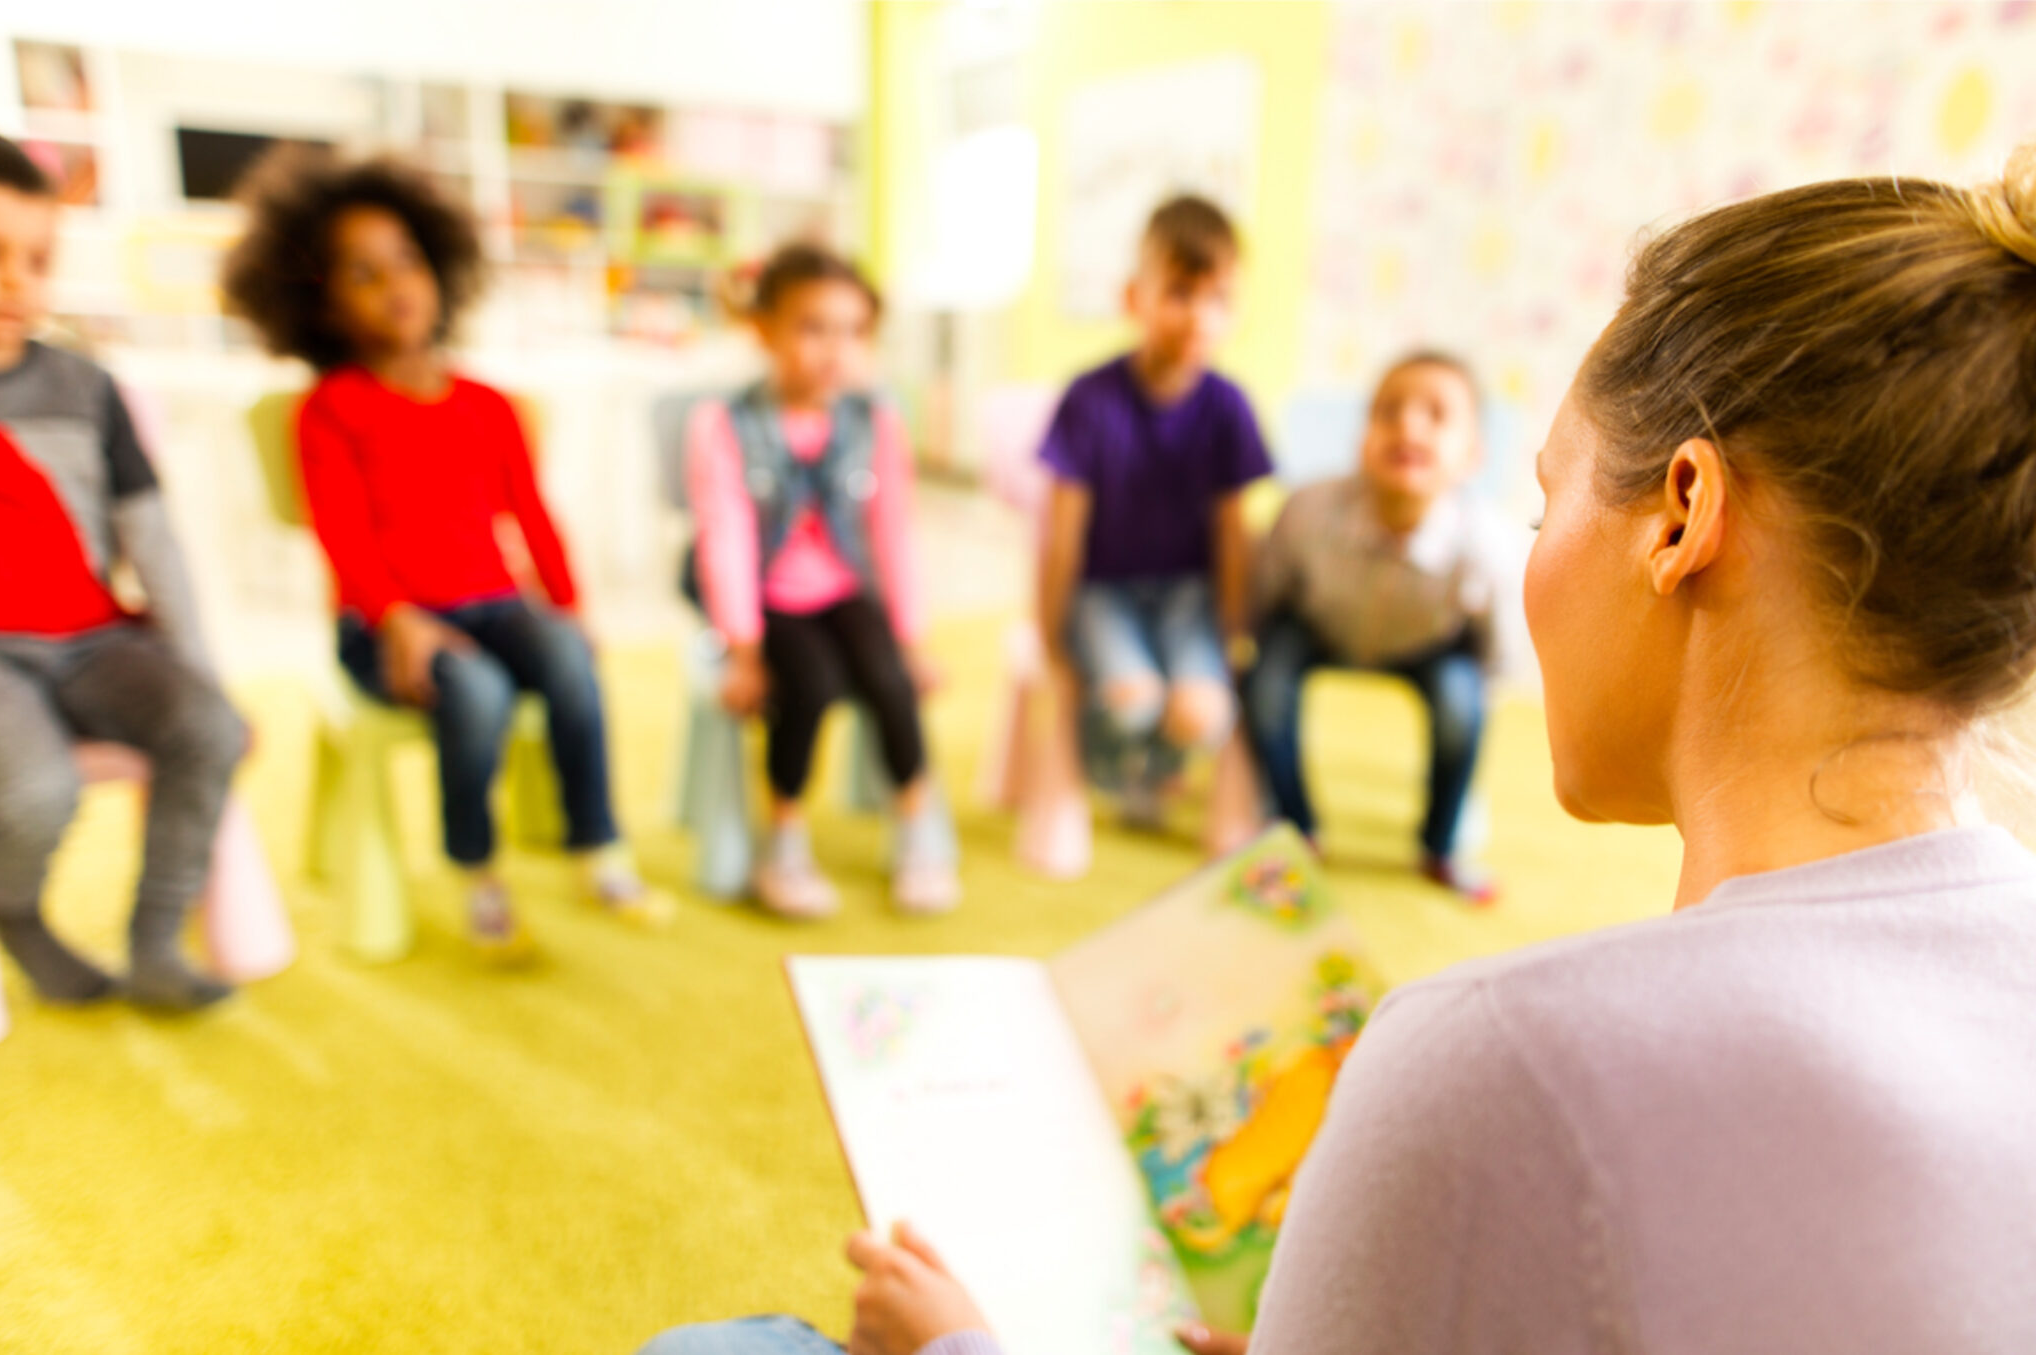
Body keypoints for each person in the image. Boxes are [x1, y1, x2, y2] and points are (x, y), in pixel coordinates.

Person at [636, 144, 2036, 1355]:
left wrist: (964, 1337)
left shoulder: (1493, 1058)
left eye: (1542, 496)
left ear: (1679, 514)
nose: (1532, 550)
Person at [221, 149, 670, 960]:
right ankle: (479, 868)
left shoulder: (487, 405)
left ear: (440, 269)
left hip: (493, 601)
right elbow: (342, 539)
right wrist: (397, 623)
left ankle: (595, 843)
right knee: (479, 691)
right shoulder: (331, 412)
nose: (396, 284)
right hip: (382, 621)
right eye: (363, 273)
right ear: (319, 304)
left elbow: (534, 517)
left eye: (408, 261)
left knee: (569, 659)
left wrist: (570, 608)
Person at [0, 131, 245, 1010]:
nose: (15, 280)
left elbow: (153, 538)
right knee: (38, 788)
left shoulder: (87, 387)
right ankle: (14, 910)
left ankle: (157, 942)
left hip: (91, 636)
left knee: (211, 728)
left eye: (36, 258)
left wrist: (202, 669)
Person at [685, 244, 956, 920]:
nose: (835, 349)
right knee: (807, 684)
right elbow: (726, 539)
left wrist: (912, 637)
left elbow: (893, 532)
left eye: (853, 331)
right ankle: (784, 836)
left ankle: (916, 825)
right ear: (764, 329)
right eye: (813, 327)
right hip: (765, 596)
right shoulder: (724, 423)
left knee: (891, 679)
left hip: (842, 585)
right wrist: (742, 650)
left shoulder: (877, 418)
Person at [1035, 195, 1273, 826]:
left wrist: (1232, 631)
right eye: (1179, 292)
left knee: (1205, 712)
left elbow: (1232, 532)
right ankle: (1114, 770)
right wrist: (1050, 632)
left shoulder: (1228, 408)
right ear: (1133, 298)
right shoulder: (1089, 399)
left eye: (1218, 298)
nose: (1198, 315)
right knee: (1131, 702)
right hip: (1102, 594)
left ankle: (1156, 771)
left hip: (1187, 597)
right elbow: (1061, 533)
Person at [1243, 352, 1515, 902]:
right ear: (1361, 436)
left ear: (1472, 457)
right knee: (1264, 678)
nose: (1408, 425)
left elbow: (1496, 644)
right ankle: (1296, 826)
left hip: (1425, 645)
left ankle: (1440, 843)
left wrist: (1486, 687)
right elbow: (1268, 591)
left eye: (1436, 415)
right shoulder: (1308, 510)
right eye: (1388, 411)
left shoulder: (1483, 543)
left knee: (1463, 706)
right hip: (1323, 627)